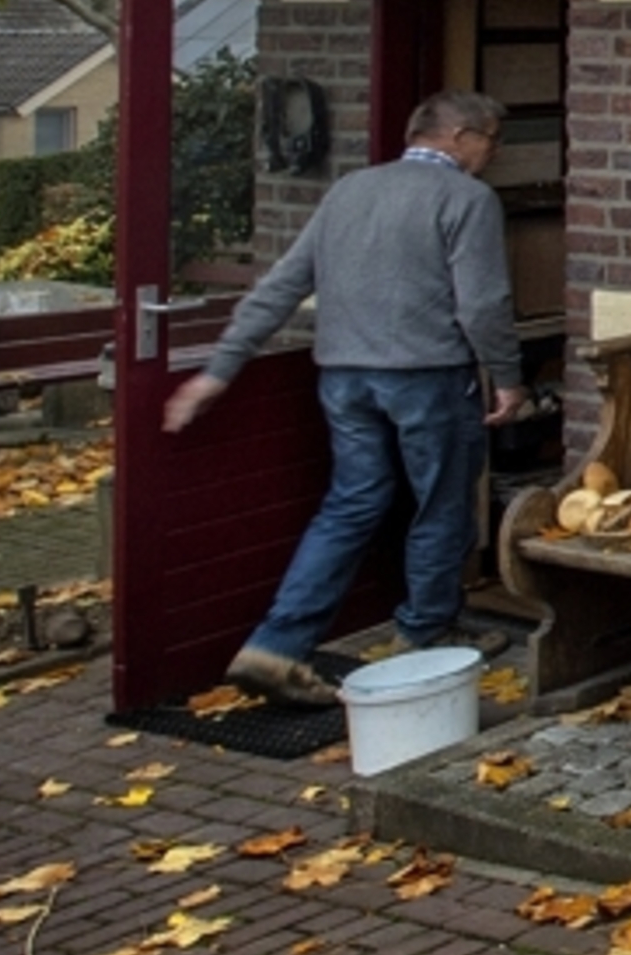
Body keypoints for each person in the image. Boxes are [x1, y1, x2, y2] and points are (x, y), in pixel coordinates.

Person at [165, 86, 527, 704]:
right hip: (427, 375)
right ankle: (424, 634)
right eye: (492, 141)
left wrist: (219, 370)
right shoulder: (468, 199)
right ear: (461, 137)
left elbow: (280, 286)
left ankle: (277, 646)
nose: (494, 154)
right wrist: (510, 375)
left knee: (351, 503)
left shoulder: (349, 192)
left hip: (343, 377)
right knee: (441, 504)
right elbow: (482, 303)